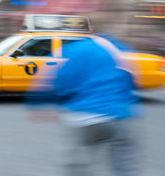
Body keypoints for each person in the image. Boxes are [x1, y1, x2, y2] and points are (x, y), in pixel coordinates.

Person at [54, 36, 143, 176]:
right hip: (117, 114)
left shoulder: (74, 49)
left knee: (79, 161)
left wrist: (61, 101)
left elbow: (61, 81)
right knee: (124, 162)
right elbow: (132, 79)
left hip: (84, 116)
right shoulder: (118, 47)